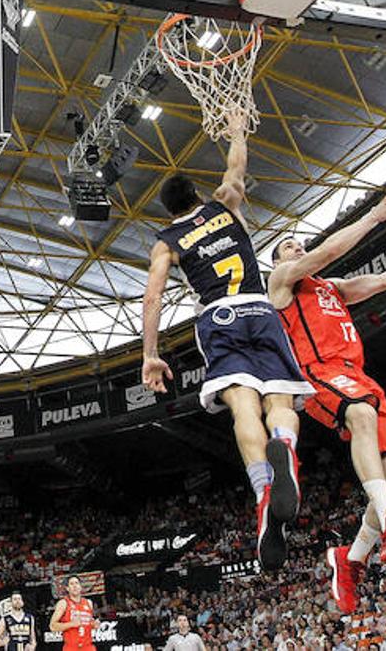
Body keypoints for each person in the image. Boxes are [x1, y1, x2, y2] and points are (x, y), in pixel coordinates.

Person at [142, 112, 314, 571]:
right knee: (281, 402)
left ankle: (264, 494)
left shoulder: (166, 242)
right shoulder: (225, 204)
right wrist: (237, 129)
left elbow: (155, 295)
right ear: (197, 195)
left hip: (218, 317)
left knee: (242, 406)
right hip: (260, 307)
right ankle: (286, 449)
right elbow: (237, 166)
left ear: (169, 212)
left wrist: (151, 354)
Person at [267, 190, 386, 612]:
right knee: (360, 414)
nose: (297, 247)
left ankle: (352, 558)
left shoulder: (333, 288)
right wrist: (376, 217)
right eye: (288, 246)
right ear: (277, 262)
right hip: (319, 372)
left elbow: (385, 281)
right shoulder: (282, 282)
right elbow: (326, 251)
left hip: (358, 376)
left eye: (297, 242)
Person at [49, 575, 96, 651]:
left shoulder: (88, 603)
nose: (75, 586)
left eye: (77, 583)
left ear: (80, 587)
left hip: (88, 647)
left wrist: (94, 625)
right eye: (72, 584)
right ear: (67, 588)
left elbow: (88, 623)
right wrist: (71, 624)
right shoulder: (63, 603)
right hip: (71, 647)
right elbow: (52, 626)